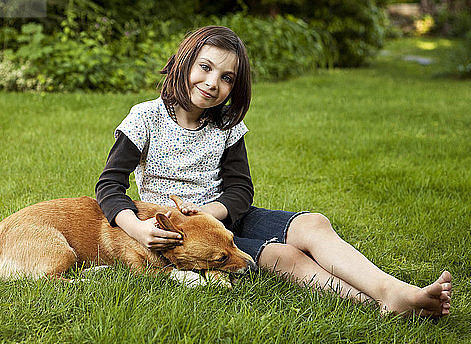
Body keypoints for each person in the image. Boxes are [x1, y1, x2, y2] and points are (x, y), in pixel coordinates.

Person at [95, 25, 452, 317]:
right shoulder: (145, 117)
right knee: (287, 257)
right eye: (205, 67)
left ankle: (392, 290)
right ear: (183, 63)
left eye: (227, 77)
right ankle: (377, 303)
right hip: (181, 233)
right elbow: (110, 184)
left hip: (225, 217)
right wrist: (137, 229)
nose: (212, 82)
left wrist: (212, 211)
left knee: (314, 224)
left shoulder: (227, 127)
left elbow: (240, 190)